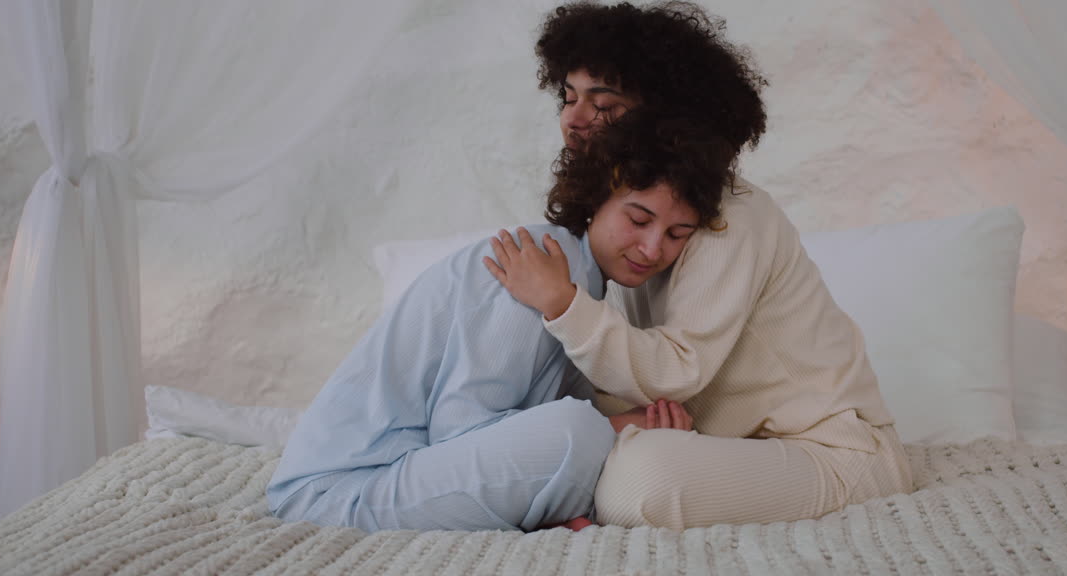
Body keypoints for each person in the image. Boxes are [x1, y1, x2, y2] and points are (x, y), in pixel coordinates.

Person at [486, 0, 914, 530]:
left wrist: (561, 303)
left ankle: (563, 500)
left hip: (832, 454)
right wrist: (621, 419)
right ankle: (560, 495)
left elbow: (674, 371)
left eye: (603, 105)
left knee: (640, 480)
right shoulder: (611, 216)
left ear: (665, 112)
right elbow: (603, 371)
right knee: (577, 449)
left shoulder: (730, 213)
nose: (573, 120)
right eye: (569, 98)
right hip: (720, 449)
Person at [267, 113, 728, 532]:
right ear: (597, 201)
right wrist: (622, 426)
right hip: (337, 493)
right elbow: (459, 428)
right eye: (638, 219)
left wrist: (636, 425)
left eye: (676, 234)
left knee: (597, 439)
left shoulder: (583, 289)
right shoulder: (541, 264)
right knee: (577, 429)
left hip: (395, 476)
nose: (652, 249)